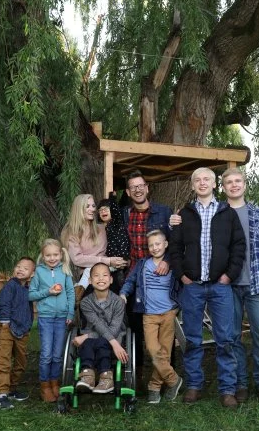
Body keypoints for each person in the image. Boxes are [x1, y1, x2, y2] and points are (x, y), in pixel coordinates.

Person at [169, 167, 246, 407]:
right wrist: (182, 276)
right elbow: (175, 247)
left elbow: (238, 246)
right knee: (192, 339)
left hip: (220, 286)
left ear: (215, 185)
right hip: (192, 286)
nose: (202, 183)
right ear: (192, 186)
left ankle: (227, 390)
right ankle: (194, 385)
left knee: (225, 339)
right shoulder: (185, 214)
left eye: (207, 180)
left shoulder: (227, 213)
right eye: (197, 180)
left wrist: (228, 276)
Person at [220, 167, 259, 403]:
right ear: (223, 187)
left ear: (244, 184)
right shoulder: (218, 213)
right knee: (232, 335)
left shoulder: (258, 213)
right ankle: (240, 383)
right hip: (227, 285)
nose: (234, 185)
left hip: (257, 282)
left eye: (238, 181)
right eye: (229, 182)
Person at [120, 171, 175, 378]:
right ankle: (137, 375)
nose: (137, 189)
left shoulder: (163, 212)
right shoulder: (125, 215)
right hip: (136, 281)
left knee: (164, 333)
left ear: (147, 188)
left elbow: (175, 242)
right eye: (133, 187)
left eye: (141, 185)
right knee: (136, 329)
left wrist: (168, 261)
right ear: (128, 191)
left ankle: (165, 376)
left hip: (161, 280)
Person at [119, 230, 182, 404]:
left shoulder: (172, 263)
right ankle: (173, 379)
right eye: (151, 245)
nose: (154, 248)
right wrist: (124, 293)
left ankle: (154, 387)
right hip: (149, 314)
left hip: (169, 312)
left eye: (158, 244)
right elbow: (131, 280)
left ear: (165, 244)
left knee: (165, 352)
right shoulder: (143, 264)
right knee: (153, 350)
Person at [29, 238, 75, 403]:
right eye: (48, 255)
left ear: (61, 255)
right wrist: (47, 292)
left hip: (62, 318)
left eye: (55, 254)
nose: (52, 258)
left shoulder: (64, 270)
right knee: (47, 354)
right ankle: (45, 386)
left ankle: (55, 383)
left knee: (57, 355)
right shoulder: (39, 272)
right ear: (43, 255)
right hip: (46, 318)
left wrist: (70, 314)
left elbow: (70, 293)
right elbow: (31, 294)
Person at [73, 263, 129, 394]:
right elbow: (98, 324)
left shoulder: (118, 302)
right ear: (90, 281)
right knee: (88, 344)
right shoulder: (86, 302)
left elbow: (114, 330)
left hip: (115, 336)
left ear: (111, 279)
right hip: (95, 337)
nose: (101, 279)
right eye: (96, 276)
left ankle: (106, 377)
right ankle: (88, 375)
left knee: (100, 342)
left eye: (105, 275)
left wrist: (87, 336)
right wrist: (88, 337)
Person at [62, 194, 128, 293]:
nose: (92, 209)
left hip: (109, 273)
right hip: (89, 279)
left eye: (93, 206)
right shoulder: (71, 232)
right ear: (79, 208)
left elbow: (116, 246)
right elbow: (77, 259)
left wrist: (123, 260)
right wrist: (107, 261)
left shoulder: (102, 228)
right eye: (87, 206)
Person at [0, 257, 36, 410]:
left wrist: (29, 324)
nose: (20, 269)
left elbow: (29, 309)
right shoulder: (10, 286)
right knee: (3, 359)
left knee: (21, 361)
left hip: (23, 329)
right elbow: (3, 303)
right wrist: (4, 322)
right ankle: (2, 394)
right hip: (7, 327)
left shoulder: (29, 290)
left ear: (32, 274)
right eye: (18, 266)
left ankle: (12, 388)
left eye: (25, 268)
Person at [97, 193, 131, 292]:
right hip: (112, 260)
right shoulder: (105, 227)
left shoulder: (116, 222)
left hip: (121, 256)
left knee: (120, 280)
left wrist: (112, 197)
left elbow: (115, 211)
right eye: (100, 210)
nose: (103, 211)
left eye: (106, 209)